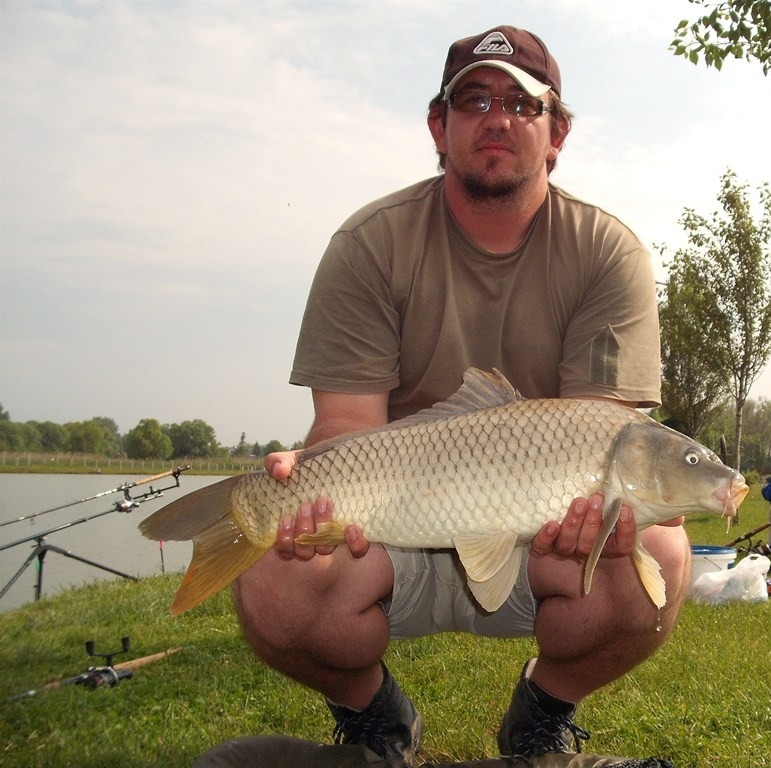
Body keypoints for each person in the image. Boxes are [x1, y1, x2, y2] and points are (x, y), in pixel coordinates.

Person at [232, 25, 691, 766]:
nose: (497, 118)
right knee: (271, 582)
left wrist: (597, 520)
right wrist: (307, 489)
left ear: (557, 131)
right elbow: (346, 424)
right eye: (473, 99)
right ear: (439, 127)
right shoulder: (371, 243)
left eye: (522, 103)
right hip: (392, 527)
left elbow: (607, 435)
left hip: (540, 540)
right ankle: (376, 715)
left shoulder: (607, 251)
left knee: (659, 560)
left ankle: (543, 710)